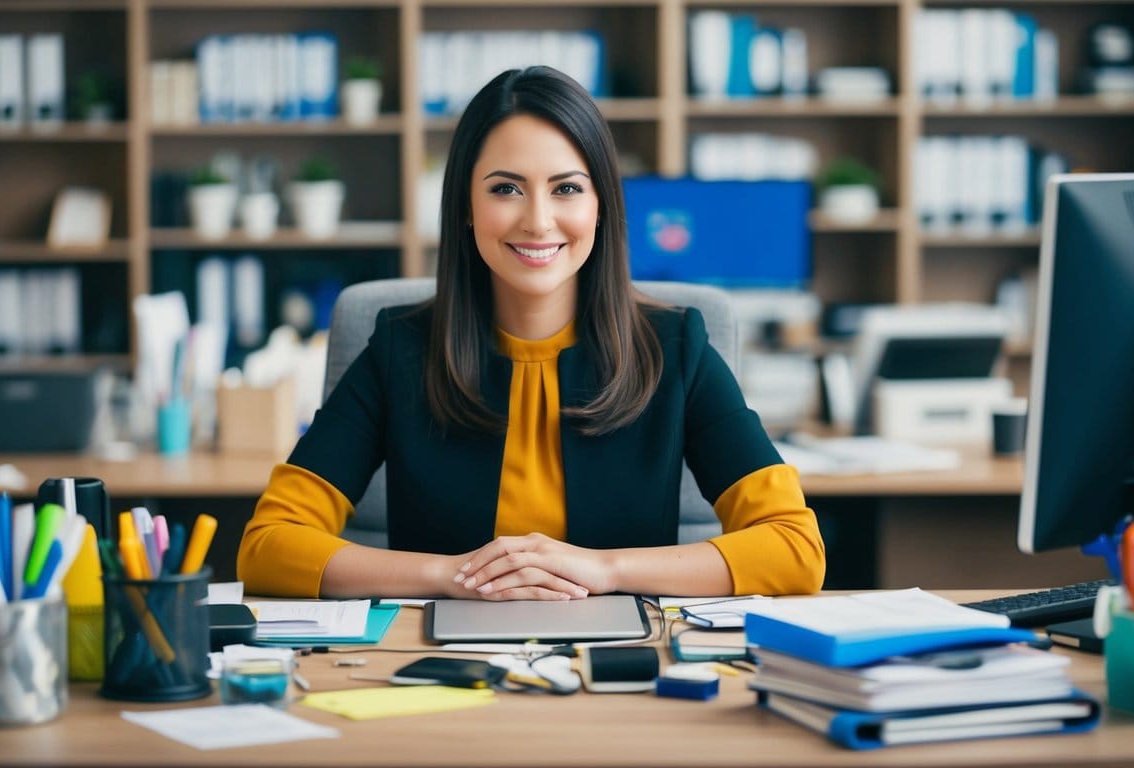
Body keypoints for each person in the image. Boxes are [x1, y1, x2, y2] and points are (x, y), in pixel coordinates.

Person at [237, 65, 824, 600]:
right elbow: (268, 545)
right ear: (466, 206)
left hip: (619, 663)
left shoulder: (675, 348)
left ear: (601, 205)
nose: (538, 220)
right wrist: (455, 576)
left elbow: (795, 549)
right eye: (505, 188)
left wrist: (607, 570)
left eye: (566, 188)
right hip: (441, 665)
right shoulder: (400, 349)